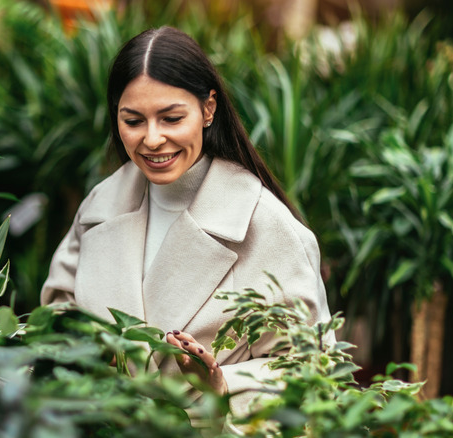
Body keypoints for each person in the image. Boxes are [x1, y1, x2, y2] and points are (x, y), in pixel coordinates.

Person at [40, 26, 332, 411]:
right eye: (133, 121)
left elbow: (312, 367)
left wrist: (222, 383)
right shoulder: (101, 206)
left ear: (208, 109)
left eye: (171, 118)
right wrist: (85, 351)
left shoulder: (265, 226)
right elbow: (56, 316)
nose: (153, 139)